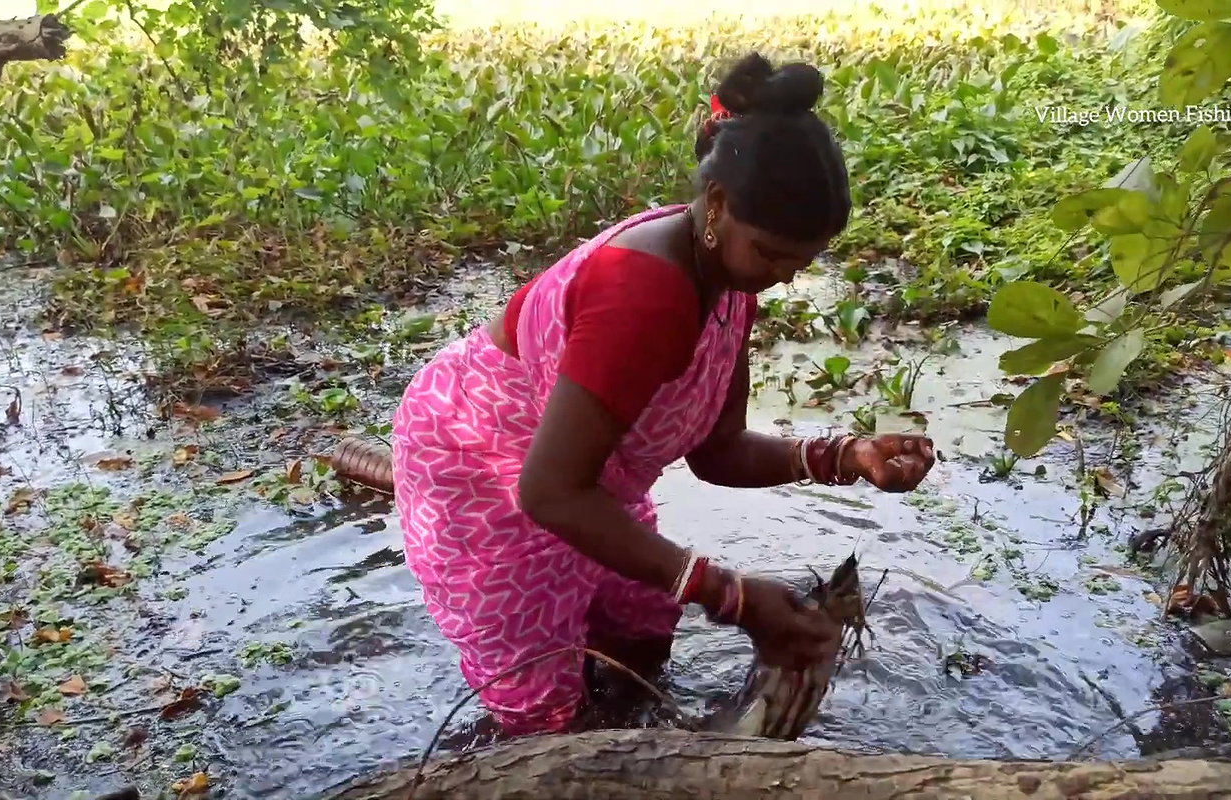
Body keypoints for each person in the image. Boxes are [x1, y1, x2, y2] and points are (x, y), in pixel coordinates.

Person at [391, 52, 937, 737]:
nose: (785, 279)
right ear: (715, 207)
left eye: (801, 263)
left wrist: (846, 456)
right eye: (771, 255)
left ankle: (636, 738)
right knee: (545, 720)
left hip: (582, 473)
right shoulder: (642, 295)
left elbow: (720, 452)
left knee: (639, 633)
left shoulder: (729, 283)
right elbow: (550, 493)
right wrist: (732, 596)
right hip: (486, 464)